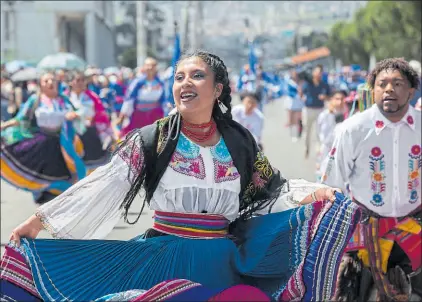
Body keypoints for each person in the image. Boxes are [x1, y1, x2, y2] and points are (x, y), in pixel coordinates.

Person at [1, 51, 361, 302]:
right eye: (179, 77)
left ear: (217, 89)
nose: (184, 83)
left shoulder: (240, 141)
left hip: (223, 261)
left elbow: (272, 190)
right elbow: (103, 184)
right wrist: (39, 221)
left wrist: (314, 195)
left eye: (197, 76)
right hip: (164, 258)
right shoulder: (151, 140)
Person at [321, 58, 421, 301]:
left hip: (415, 228)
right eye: (382, 83)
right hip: (366, 230)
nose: (389, 89)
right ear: (372, 89)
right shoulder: (352, 130)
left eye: (397, 83)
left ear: (411, 90)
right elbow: (332, 183)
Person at [0, 71, 85, 204]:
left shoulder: (64, 100)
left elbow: (78, 113)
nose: (50, 83)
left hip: (63, 142)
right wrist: (4, 125)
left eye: (53, 80)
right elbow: (21, 117)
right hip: (42, 143)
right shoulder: (36, 100)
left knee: (63, 173)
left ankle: (61, 200)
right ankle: (44, 199)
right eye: (46, 81)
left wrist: (75, 115)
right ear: (41, 85)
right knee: (42, 174)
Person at [64, 71, 113, 172]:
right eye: (78, 80)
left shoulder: (91, 96)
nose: (81, 83)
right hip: (70, 134)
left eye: (83, 80)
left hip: (89, 134)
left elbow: (100, 113)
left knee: (92, 166)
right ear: (70, 82)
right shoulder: (64, 97)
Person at [116, 57, 166, 139]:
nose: (150, 68)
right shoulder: (137, 82)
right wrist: (122, 117)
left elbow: (164, 101)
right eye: (147, 65)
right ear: (144, 67)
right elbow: (129, 100)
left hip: (155, 117)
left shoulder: (160, 82)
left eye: (152, 65)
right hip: (139, 117)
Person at [300, 65, 330, 159]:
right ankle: (306, 148)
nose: (318, 74)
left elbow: (329, 95)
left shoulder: (324, 84)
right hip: (308, 109)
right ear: (313, 73)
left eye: (320, 72)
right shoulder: (308, 83)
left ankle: (319, 149)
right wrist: (303, 98)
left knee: (319, 130)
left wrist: (324, 97)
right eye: (316, 72)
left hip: (319, 109)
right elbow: (301, 91)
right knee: (307, 130)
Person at [315, 90, 347, 181]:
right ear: (331, 100)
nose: (339, 102)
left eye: (342, 99)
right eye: (337, 99)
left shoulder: (348, 115)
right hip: (327, 150)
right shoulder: (325, 115)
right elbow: (320, 136)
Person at [283, 69, 304, 142]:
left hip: (299, 103)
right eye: (294, 74)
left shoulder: (300, 82)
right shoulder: (289, 82)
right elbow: (289, 92)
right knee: (291, 120)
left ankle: (298, 133)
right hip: (291, 102)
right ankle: (292, 134)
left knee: (298, 119)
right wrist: (297, 95)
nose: (295, 76)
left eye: (296, 74)